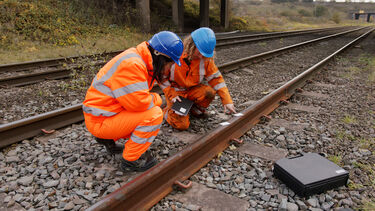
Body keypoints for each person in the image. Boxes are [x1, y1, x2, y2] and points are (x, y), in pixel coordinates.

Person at [82, 31, 183, 172]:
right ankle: (130, 161)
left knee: (147, 111)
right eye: (170, 63)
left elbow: (130, 99)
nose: (169, 68)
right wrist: (158, 98)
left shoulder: (139, 58)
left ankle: (107, 140)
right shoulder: (133, 65)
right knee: (154, 114)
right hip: (101, 121)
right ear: (161, 57)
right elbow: (139, 104)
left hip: (102, 114)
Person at [159, 27, 236, 130]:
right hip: (176, 94)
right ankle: (166, 110)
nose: (201, 56)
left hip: (192, 91)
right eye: (199, 52)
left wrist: (227, 101)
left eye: (204, 54)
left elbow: (217, 80)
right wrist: (172, 94)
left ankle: (194, 110)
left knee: (209, 92)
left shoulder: (206, 60)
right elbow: (161, 78)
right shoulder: (175, 54)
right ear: (191, 45)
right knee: (182, 125)